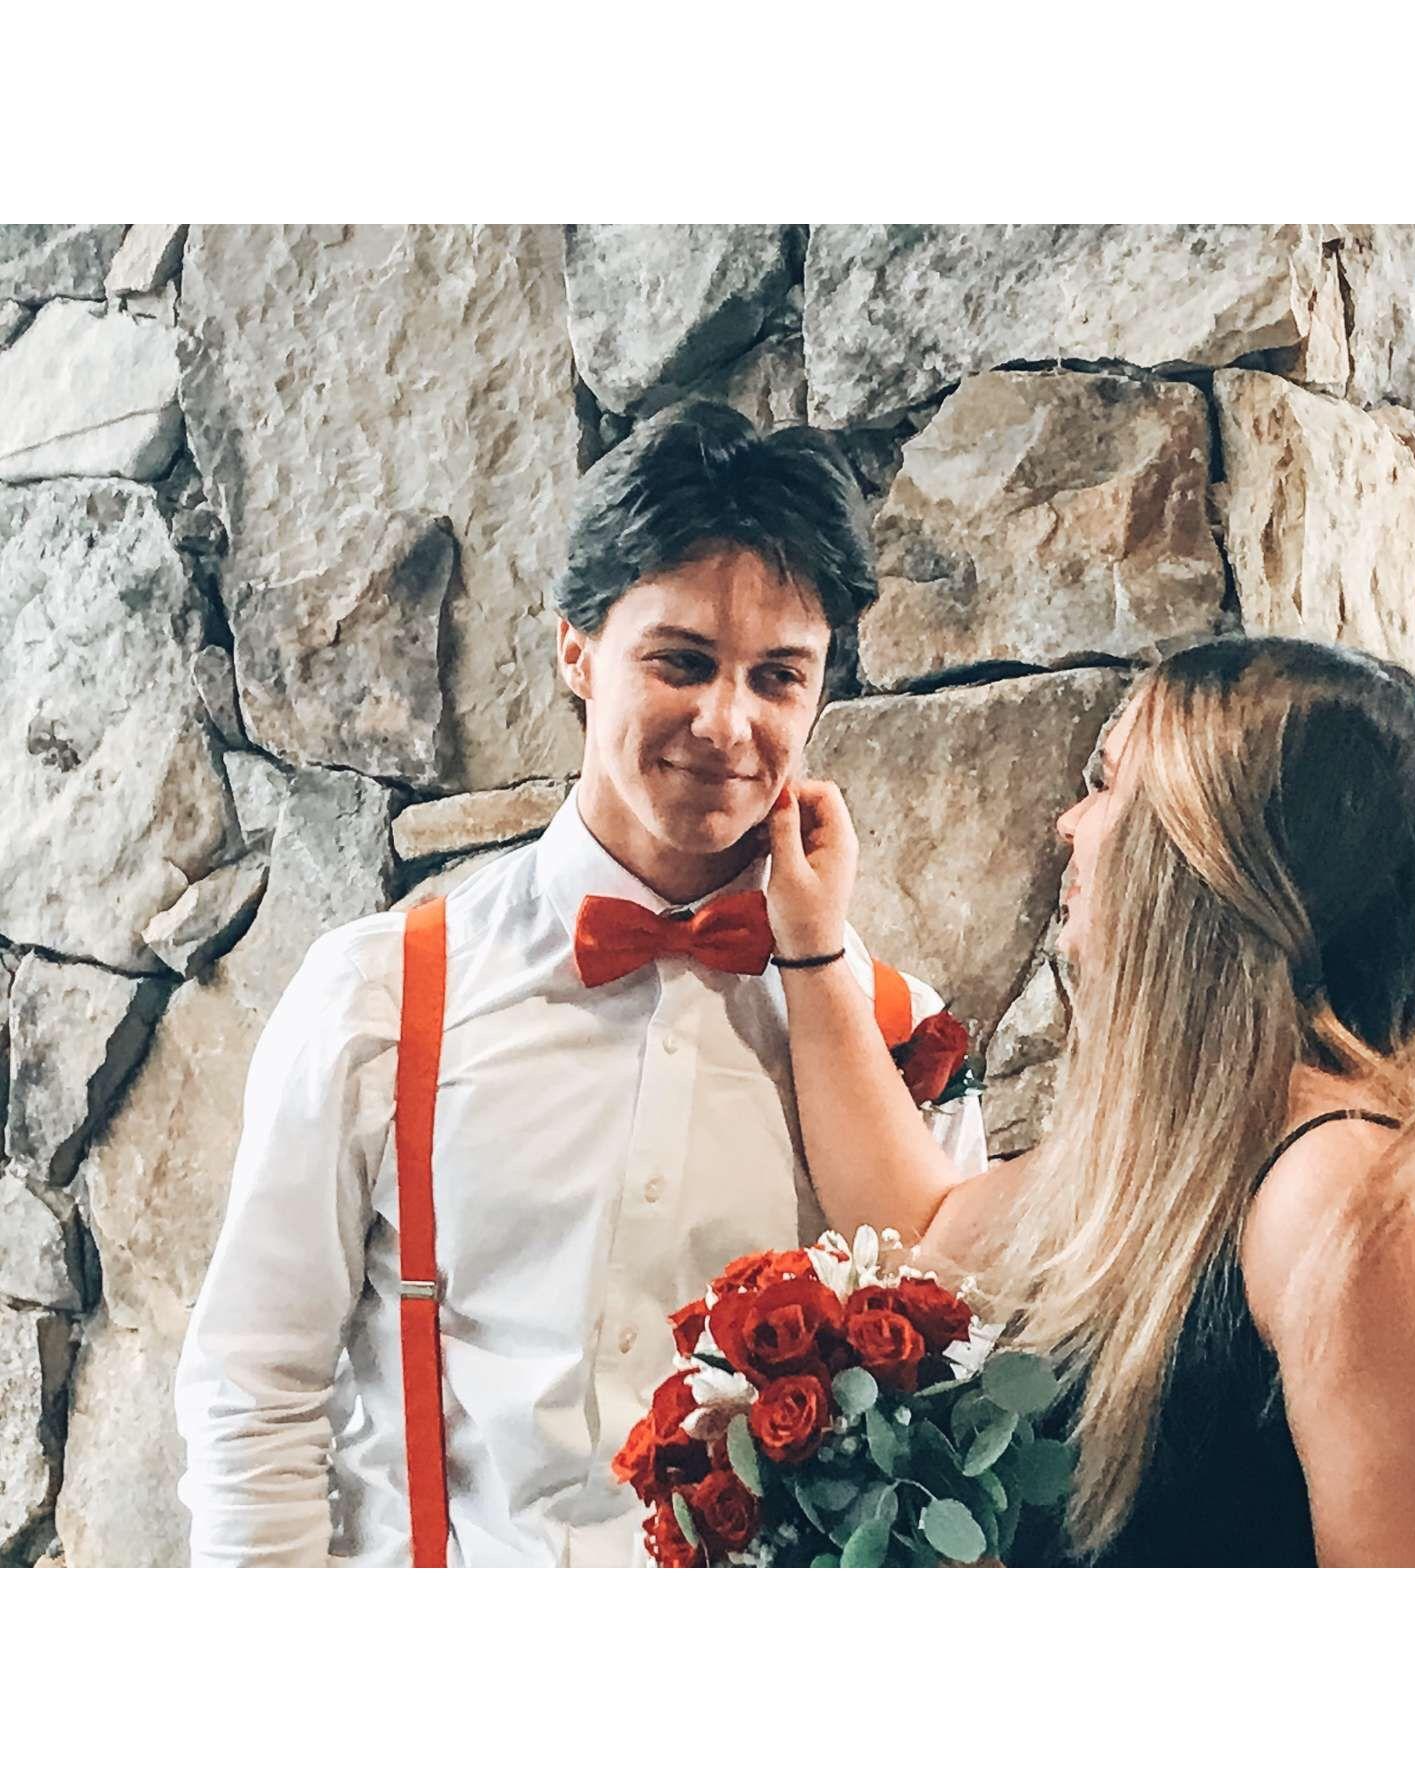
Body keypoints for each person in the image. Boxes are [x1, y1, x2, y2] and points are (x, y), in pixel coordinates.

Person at [174, 402, 986, 1567]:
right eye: (681, 661)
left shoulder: (902, 1043)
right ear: (576, 649)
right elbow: (253, 1394)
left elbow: (946, 1418)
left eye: (778, 676)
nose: (727, 722)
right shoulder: (374, 997)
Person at [764, 634, 1415, 1567]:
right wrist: (811, 942)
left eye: (1108, 784)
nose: (1070, 824)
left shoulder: (1352, 1201)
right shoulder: (1202, 1157)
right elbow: (922, 1227)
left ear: (1211, 854)